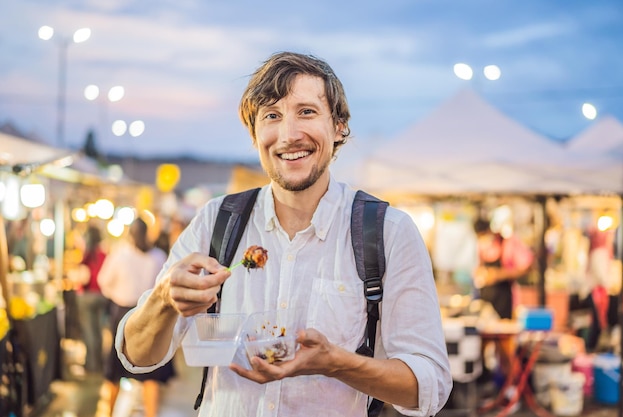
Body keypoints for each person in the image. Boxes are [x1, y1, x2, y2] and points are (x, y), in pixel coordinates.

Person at [116, 51, 452, 417]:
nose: (289, 135)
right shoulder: (217, 221)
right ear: (254, 132)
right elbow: (137, 356)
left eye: (306, 111)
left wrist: (336, 363)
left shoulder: (388, 231)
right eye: (272, 116)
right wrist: (164, 299)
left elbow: (429, 386)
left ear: (339, 125)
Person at [98, 218, 175, 417]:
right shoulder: (158, 256)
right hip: (149, 314)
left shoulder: (120, 254)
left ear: (130, 234)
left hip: (122, 313)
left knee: (114, 372)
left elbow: (103, 281)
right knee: (151, 372)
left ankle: (108, 413)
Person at [473, 218, 534, 320]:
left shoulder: (508, 243)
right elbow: (478, 268)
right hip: (486, 305)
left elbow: (527, 267)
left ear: (489, 230)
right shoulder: (481, 246)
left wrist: (499, 275)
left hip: (504, 302)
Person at [75, 224, 109, 374]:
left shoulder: (87, 255)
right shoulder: (104, 255)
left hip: (87, 296)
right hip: (101, 296)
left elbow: (82, 278)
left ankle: (92, 364)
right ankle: (99, 362)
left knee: (89, 331)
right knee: (98, 331)